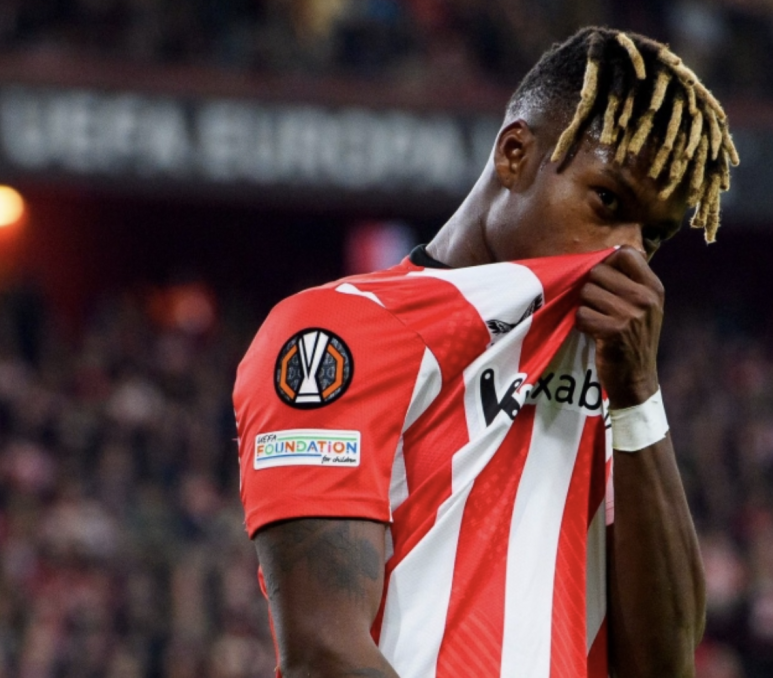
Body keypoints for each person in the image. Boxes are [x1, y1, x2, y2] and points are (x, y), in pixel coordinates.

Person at [233, 26, 738, 678]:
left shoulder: (611, 373)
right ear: (515, 154)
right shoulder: (335, 333)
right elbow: (322, 653)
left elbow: (664, 666)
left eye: (654, 237)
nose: (627, 254)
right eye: (607, 200)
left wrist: (638, 396)